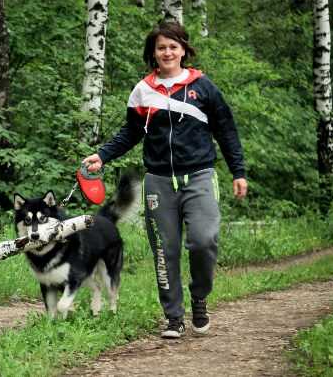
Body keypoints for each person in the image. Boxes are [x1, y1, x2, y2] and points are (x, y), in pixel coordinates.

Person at [83, 22, 247, 338]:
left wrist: (238, 172)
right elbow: (130, 132)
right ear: (153, 54)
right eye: (161, 48)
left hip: (199, 176)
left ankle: (199, 296)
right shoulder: (142, 90)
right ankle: (173, 316)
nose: (167, 52)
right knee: (164, 251)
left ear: (183, 50)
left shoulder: (203, 87)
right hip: (158, 181)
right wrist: (102, 155)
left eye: (173, 46)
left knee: (203, 240)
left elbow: (226, 129)